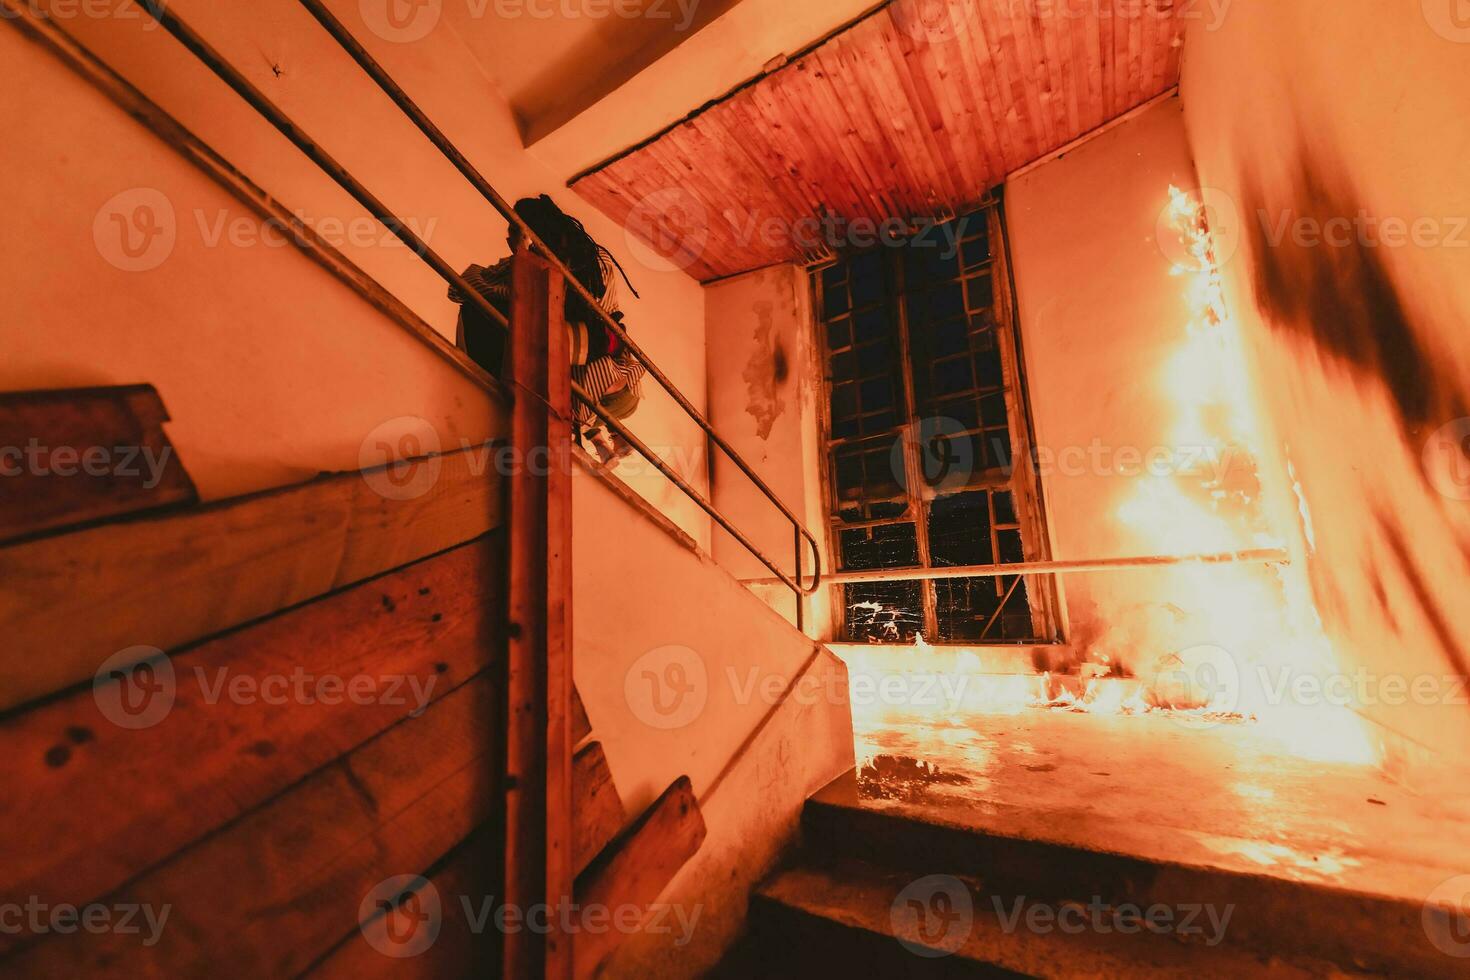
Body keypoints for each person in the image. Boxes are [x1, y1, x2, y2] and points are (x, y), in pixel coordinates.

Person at [450, 195, 642, 461]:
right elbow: (460, 288)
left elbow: (466, 287)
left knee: (549, 344)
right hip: (607, 383)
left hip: (593, 383)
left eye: (513, 232)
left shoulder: (553, 265)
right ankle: (604, 437)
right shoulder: (593, 264)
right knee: (560, 349)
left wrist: (520, 255)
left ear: (528, 233)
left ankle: (596, 435)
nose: (511, 241)